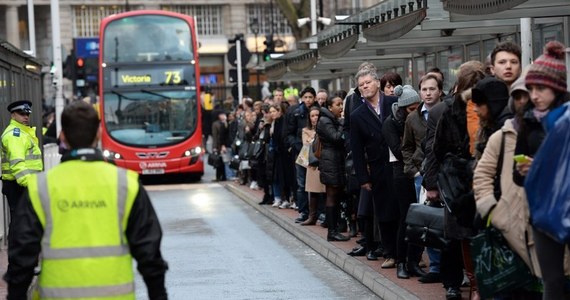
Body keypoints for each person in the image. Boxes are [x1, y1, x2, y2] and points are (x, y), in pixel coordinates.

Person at [3, 101, 168, 299]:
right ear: (98, 134)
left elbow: (22, 255)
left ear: (63, 136)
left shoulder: (41, 188)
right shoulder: (126, 184)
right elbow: (150, 254)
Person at [513, 41, 570, 300]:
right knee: (552, 281)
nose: (534, 95)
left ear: (557, 88)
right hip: (542, 211)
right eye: (531, 88)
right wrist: (528, 170)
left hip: (566, 204)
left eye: (541, 88)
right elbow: (518, 175)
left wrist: (543, 167)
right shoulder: (528, 122)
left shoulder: (565, 122)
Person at [350, 67, 399, 267]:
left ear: (378, 83)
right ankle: (390, 253)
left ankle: (408, 254)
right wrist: (363, 178)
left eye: (368, 82)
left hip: (399, 164)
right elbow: (356, 149)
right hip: (377, 167)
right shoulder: (357, 115)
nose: (365, 87)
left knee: (403, 209)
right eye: (361, 85)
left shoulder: (393, 103)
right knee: (384, 211)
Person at [382, 85, 426, 279]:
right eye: (410, 109)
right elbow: (399, 150)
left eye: (417, 107)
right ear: (402, 108)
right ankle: (401, 260)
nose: (414, 112)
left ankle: (414, 260)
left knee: (420, 218)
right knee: (405, 217)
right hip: (401, 173)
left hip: (420, 170)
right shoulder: (391, 123)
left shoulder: (420, 119)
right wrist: (419, 152)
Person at [1, 100, 43, 223]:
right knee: (20, 223)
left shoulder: (22, 132)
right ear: (13, 115)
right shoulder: (15, 135)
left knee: (21, 222)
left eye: (27, 114)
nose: (25, 117)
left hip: (20, 183)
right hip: (20, 184)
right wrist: (30, 183)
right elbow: (17, 163)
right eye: (21, 114)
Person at [317, 92, 349, 241]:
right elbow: (336, 137)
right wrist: (342, 122)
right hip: (330, 160)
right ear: (330, 107)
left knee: (335, 195)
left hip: (335, 159)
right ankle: (332, 231)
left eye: (342, 104)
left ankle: (335, 229)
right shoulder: (325, 120)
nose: (341, 107)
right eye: (338, 105)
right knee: (331, 195)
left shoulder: (330, 119)